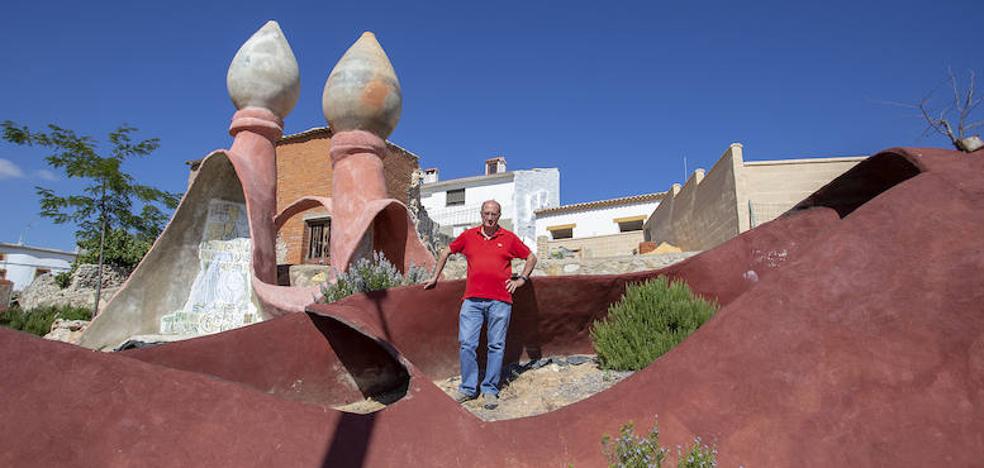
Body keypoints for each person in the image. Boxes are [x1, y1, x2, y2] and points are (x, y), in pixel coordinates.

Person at [425, 199, 537, 409]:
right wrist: (435, 278)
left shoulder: (509, 238)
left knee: (496, 346)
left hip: (500, 301)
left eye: (494, 214)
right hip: (472, 301)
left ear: (499, 215)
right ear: (481, 214)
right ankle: (468, 388)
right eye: (486, 213)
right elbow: (445, 251)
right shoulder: (468, 236)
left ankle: (490, 390)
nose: (489, 217)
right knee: (467, 344)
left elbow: (531, 257)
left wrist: (521, 280)